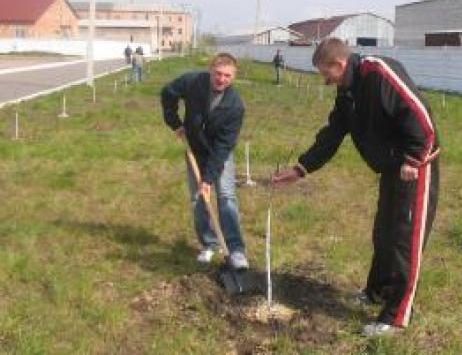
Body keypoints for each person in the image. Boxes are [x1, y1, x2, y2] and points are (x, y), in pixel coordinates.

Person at [272, 38, 440, 337]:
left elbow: (421, 117)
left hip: (416, 167)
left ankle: (396, 316)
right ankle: (376, 291)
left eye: (326, 73)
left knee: (404, 239)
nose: (324, 80)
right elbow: (333, 133)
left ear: (339, 63)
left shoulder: (379, 74)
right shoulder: (347, 90)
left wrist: (413, 159)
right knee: (383, 233)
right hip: (392, 168)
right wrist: (301, 168)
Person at [161, 52, 249, 270]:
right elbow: (168, 93)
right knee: (199, 199)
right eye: (218, 74)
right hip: (195, 149)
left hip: (219, 153)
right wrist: (174, 122)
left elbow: (223, 146)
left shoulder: (235, 106)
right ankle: (209, 244)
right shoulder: (193, 82)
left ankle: (236, 250)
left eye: (227, 76)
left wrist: (208, 179)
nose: (222, 79)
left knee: (226, 196)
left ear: (233, 78)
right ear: (211, 70)